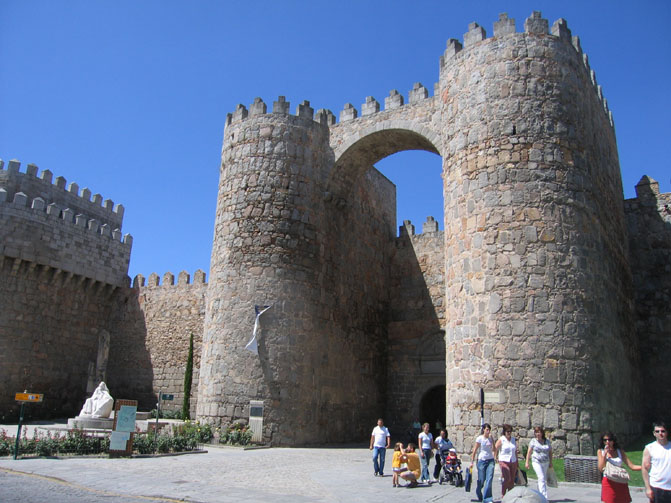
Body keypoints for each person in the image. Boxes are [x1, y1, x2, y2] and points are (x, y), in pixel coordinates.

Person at [597, 431, 641, 503]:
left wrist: (645, 467)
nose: (607, 442)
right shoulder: (600, 451)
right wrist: (604, 455)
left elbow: (632, 466)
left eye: (610, 439)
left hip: (620, 481)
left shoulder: (619, 451)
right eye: (605, 440)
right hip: (609, 481)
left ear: (613, 441)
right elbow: (601, 468)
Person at [642, 421, 671, 502]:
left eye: (663, 431)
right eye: (657, 431)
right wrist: (648, 488)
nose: (660, 433)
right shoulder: (649, 448)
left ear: (666, 432)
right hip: (657, 487)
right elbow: (645, 469)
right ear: (654, 433)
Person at [470, 423, 496, 503]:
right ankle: (478, 490)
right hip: (482, 461)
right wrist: (472, 461)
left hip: (490, 460)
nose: (488, 431)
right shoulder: (480, 438)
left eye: (489, 430)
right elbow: (475, 450)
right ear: (483, 430)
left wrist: (495, 457)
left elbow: (494, 448)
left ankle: (487, 499)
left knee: (489, 479)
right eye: (487, 429)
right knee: (481, 480)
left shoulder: (490, 438)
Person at [525, 426, 553, 498]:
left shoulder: (547, 441)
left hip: (545, 462)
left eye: (539, 432)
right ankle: (544, 497)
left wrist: (551, 462)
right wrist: (527, 462)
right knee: (541, 477)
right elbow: (529, 452)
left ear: (542, 433)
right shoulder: (533, 441)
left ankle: (539, 494)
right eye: (536, 432)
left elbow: (550, 452)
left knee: (542, 479)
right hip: (536, 461)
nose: (538, 434)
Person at [495, 424, 518, 497]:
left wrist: (517, 461)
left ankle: (510, 496)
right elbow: (495, 448)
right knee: (507, 478)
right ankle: (503, 494)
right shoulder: (502, 439)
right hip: (503, 461)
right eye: (507, 431)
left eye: (510, 431)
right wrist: (495, 457)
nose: (509, 433)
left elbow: (515, 451)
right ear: (504, 432)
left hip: (513, 461)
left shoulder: (513, 440)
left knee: (512, 480)